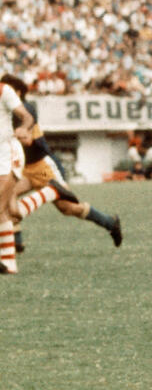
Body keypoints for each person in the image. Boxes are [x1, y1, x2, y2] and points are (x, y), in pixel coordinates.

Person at [1, 76, 123, 251]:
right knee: (5, 199)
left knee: (68, 208)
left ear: (17, 93)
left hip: (42, 167)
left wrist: (13, 136)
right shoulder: (8, 111)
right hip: (24, 168)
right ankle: (16, 240)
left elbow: (28, 140)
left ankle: (109, 223)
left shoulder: (25, 110)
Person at [0, 75, 35, 274]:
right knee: (6, 210)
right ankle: (9, 263)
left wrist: (23, 128)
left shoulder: (4, 90)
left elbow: (27, 116)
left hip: (8, 154)